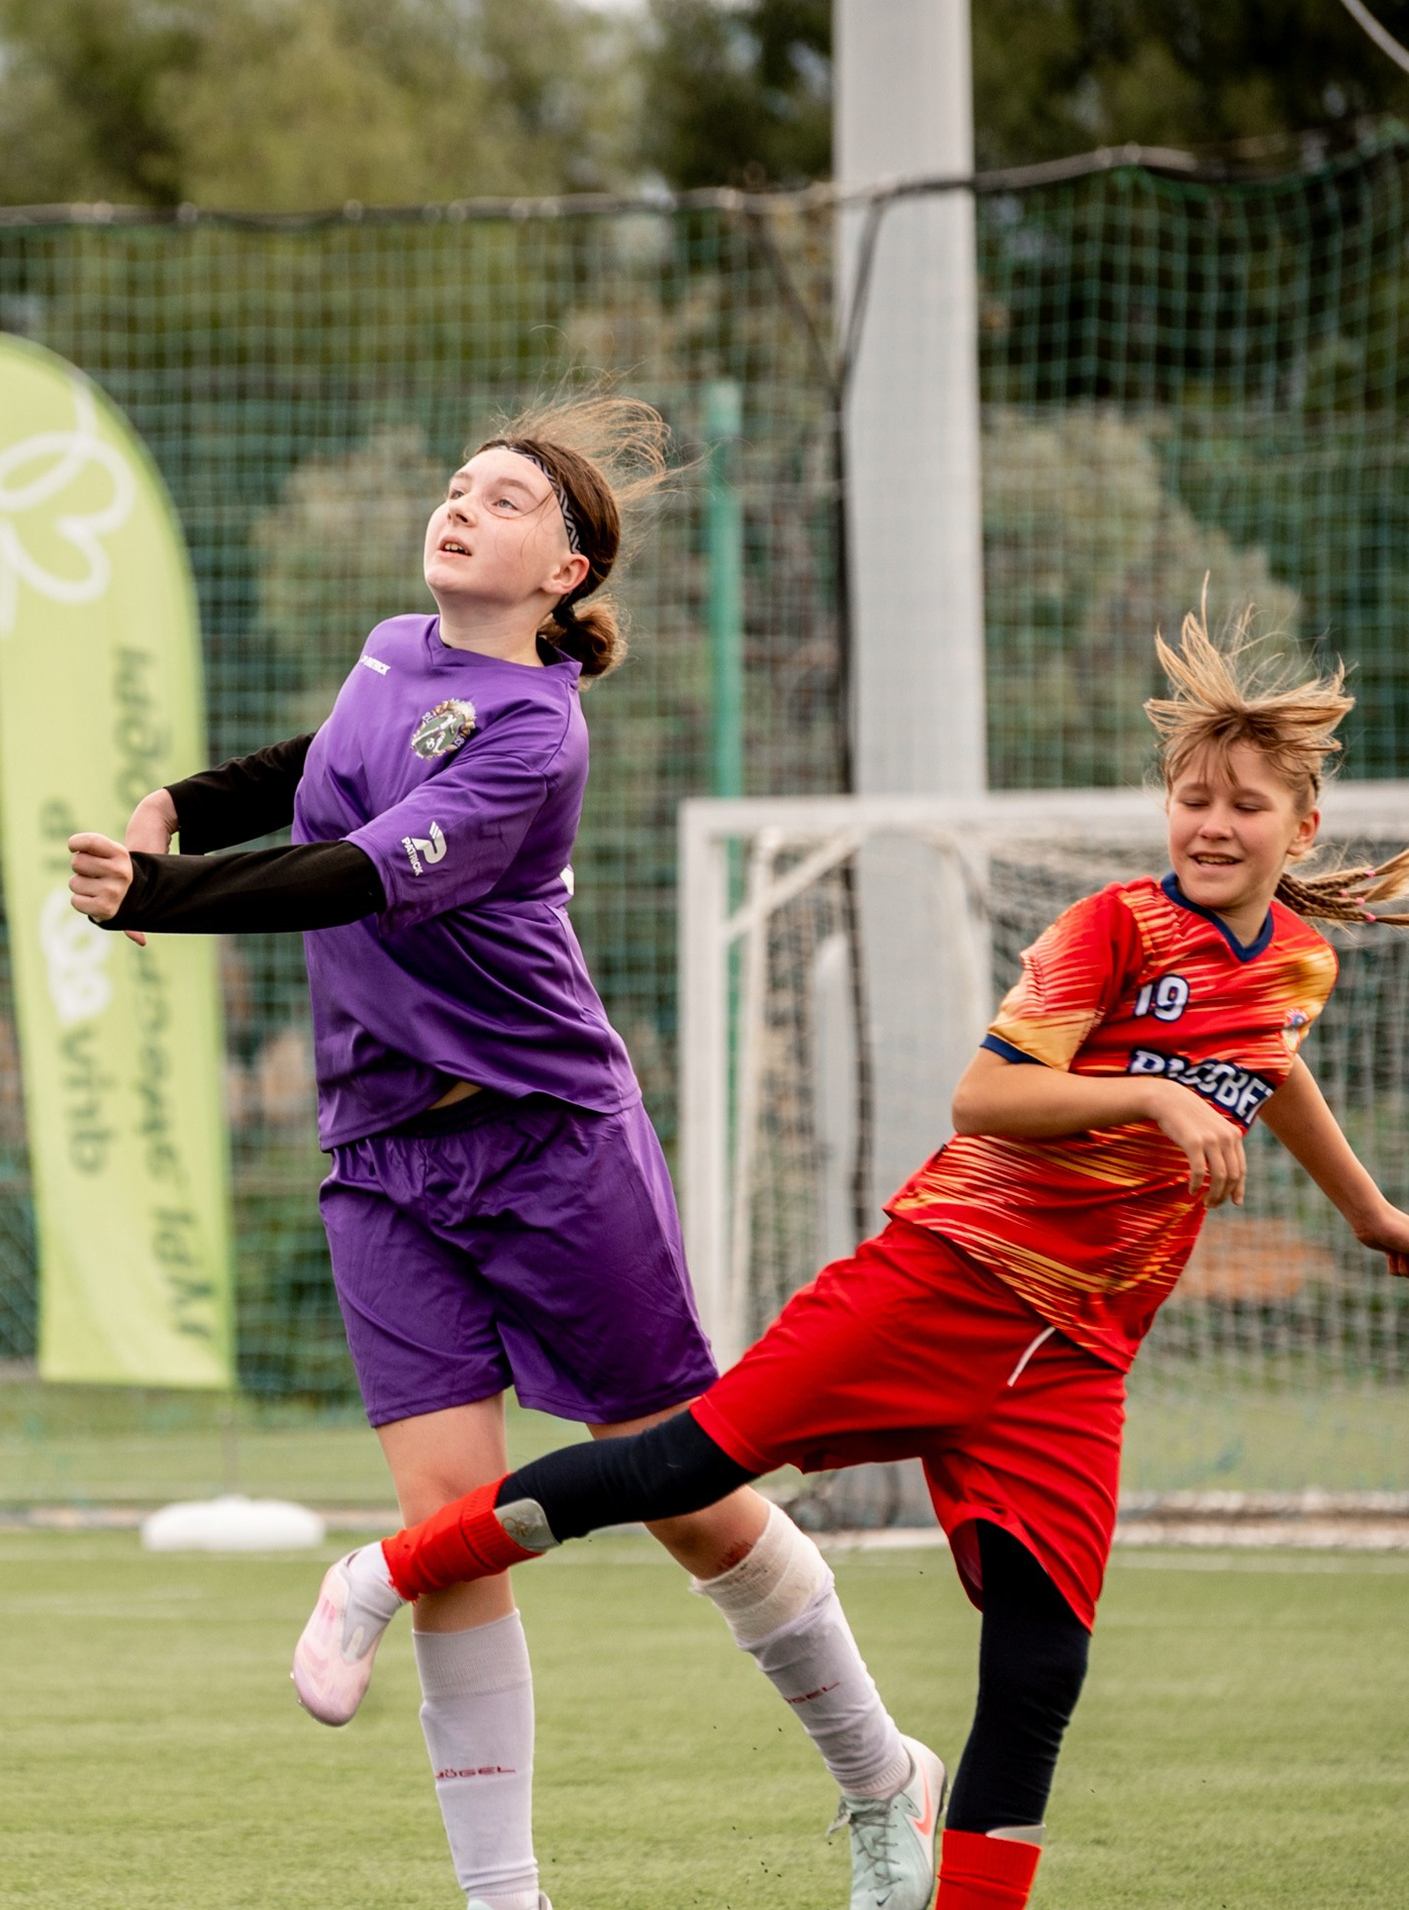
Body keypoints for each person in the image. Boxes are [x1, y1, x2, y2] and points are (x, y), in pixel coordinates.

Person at [319, 601, 1409, 1910]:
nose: (1213, 824)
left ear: (1305, 828)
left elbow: (1269, 1067)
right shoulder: (1112, 930)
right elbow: (987, 1099)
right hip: (939, 1283)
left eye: (1243, 804)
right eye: (1193, 798)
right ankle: (391, 1568)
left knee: (1040, 1668)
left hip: (1074, 1359)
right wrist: (1153, 1102)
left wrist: (1369, 1212)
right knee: (680, 1465)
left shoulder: (1299, 960)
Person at [68, 399, 938, 1910]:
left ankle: (882, 1772)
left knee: (685, 1494)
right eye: (458, 484)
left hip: (547, 1146)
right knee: (449, 1530)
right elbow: (321, 767)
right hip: (380, 1157)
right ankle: (504, 1899)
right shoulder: (397, 646)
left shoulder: (536, 731)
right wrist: (183, 806)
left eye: (507, 497)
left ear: (567, 569)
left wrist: (163, 891)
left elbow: (346, 872)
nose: (462, 505)